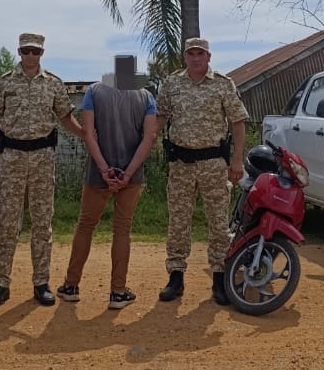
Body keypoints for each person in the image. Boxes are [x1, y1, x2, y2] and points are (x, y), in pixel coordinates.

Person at [0, 32, 84, 307]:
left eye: (35, 51)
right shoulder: (5, 83)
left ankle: (41, 283)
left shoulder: (53, 84)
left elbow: (66, 118)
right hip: (11, 158)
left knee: (42, 223)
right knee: (7, 222)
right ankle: (1, 283)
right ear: (19, 52)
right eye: (26, 51)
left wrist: (86, 134)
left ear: (42, 53)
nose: (30, 56)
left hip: (42, 159)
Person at [155, 36, 248, 305]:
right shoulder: (172, 84)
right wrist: (145, 141)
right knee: (178, 222)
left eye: (200, 54)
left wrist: (237, 160)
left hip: (213, 164)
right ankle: (176, 276)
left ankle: (219, 277)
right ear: (185, 57)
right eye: (191, 54)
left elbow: (238, 122)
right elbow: (159, 118)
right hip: (181, 165)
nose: (195, 58)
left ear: (208, 57)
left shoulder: (222, 84)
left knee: (218, 222)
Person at [56, 67, 159, 310]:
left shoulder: (94, 91)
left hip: (98, 173)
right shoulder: (146, 96)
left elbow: (88, 133)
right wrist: (128, 173)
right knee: (122, 229)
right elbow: (150, 137)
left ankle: (71, 286)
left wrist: (104, 169)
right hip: (131, 174)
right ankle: (118, 292)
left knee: (86, 225)